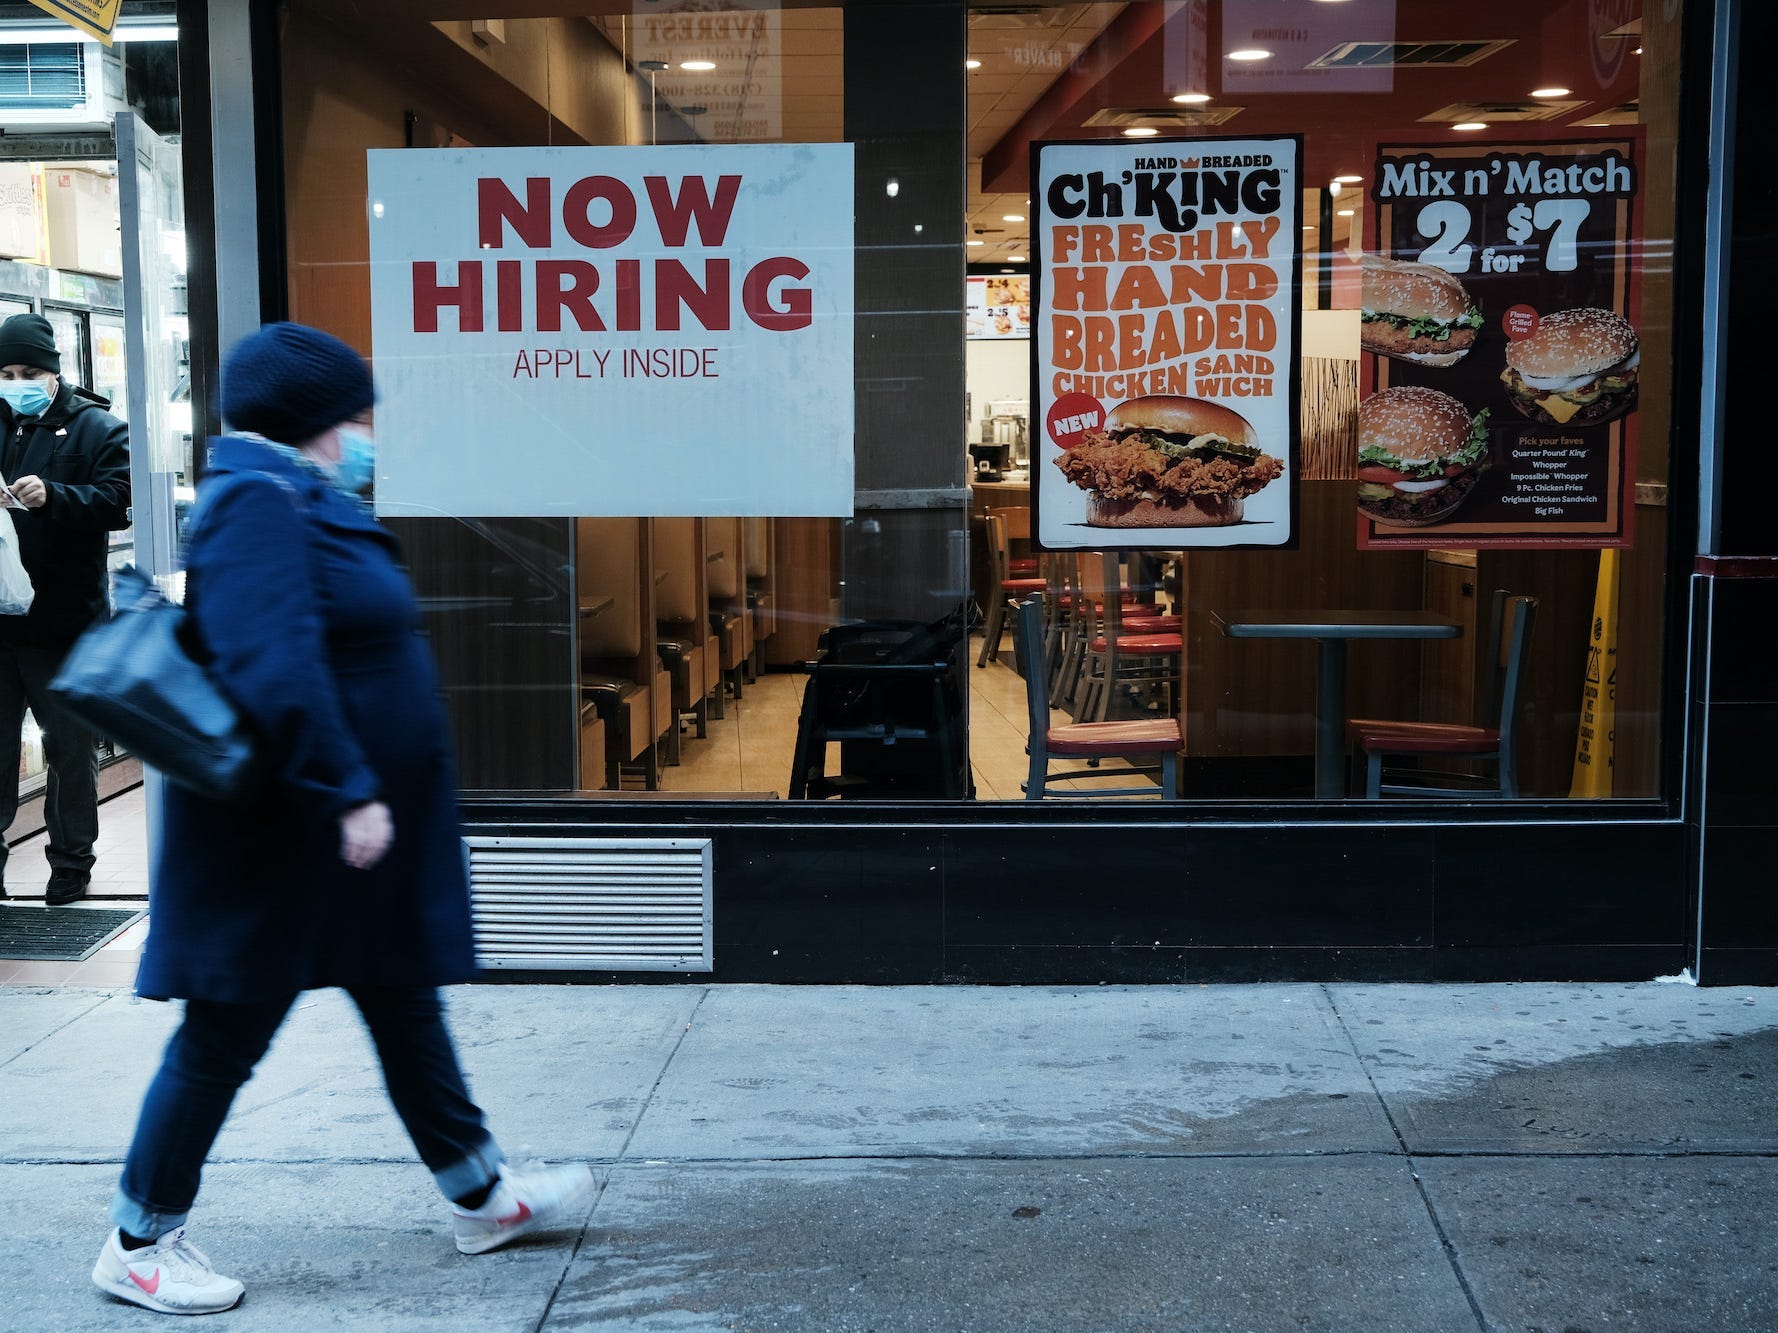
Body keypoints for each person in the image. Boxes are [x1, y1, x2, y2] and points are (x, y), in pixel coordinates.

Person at [92, 323, 592, 1316]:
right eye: (358, 414)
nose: (368, 431)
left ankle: (480, 1195)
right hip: (290, 832)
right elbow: (274, 663)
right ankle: (138, 1240)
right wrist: (349, 789)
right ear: (317, 419)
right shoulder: (254, 504)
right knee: (226, 1029)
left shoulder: (295, 495)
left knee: (401, 996)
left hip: (325, 827)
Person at [0, 312, 130, 906]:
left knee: (70, 749)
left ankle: (70, 866)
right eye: (4, 372)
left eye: (27, 372)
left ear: (53, 373)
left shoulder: (98, 428)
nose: (15, 382)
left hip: (67, 624)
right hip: (2, 626)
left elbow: (119, 501)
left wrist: (55, 495)